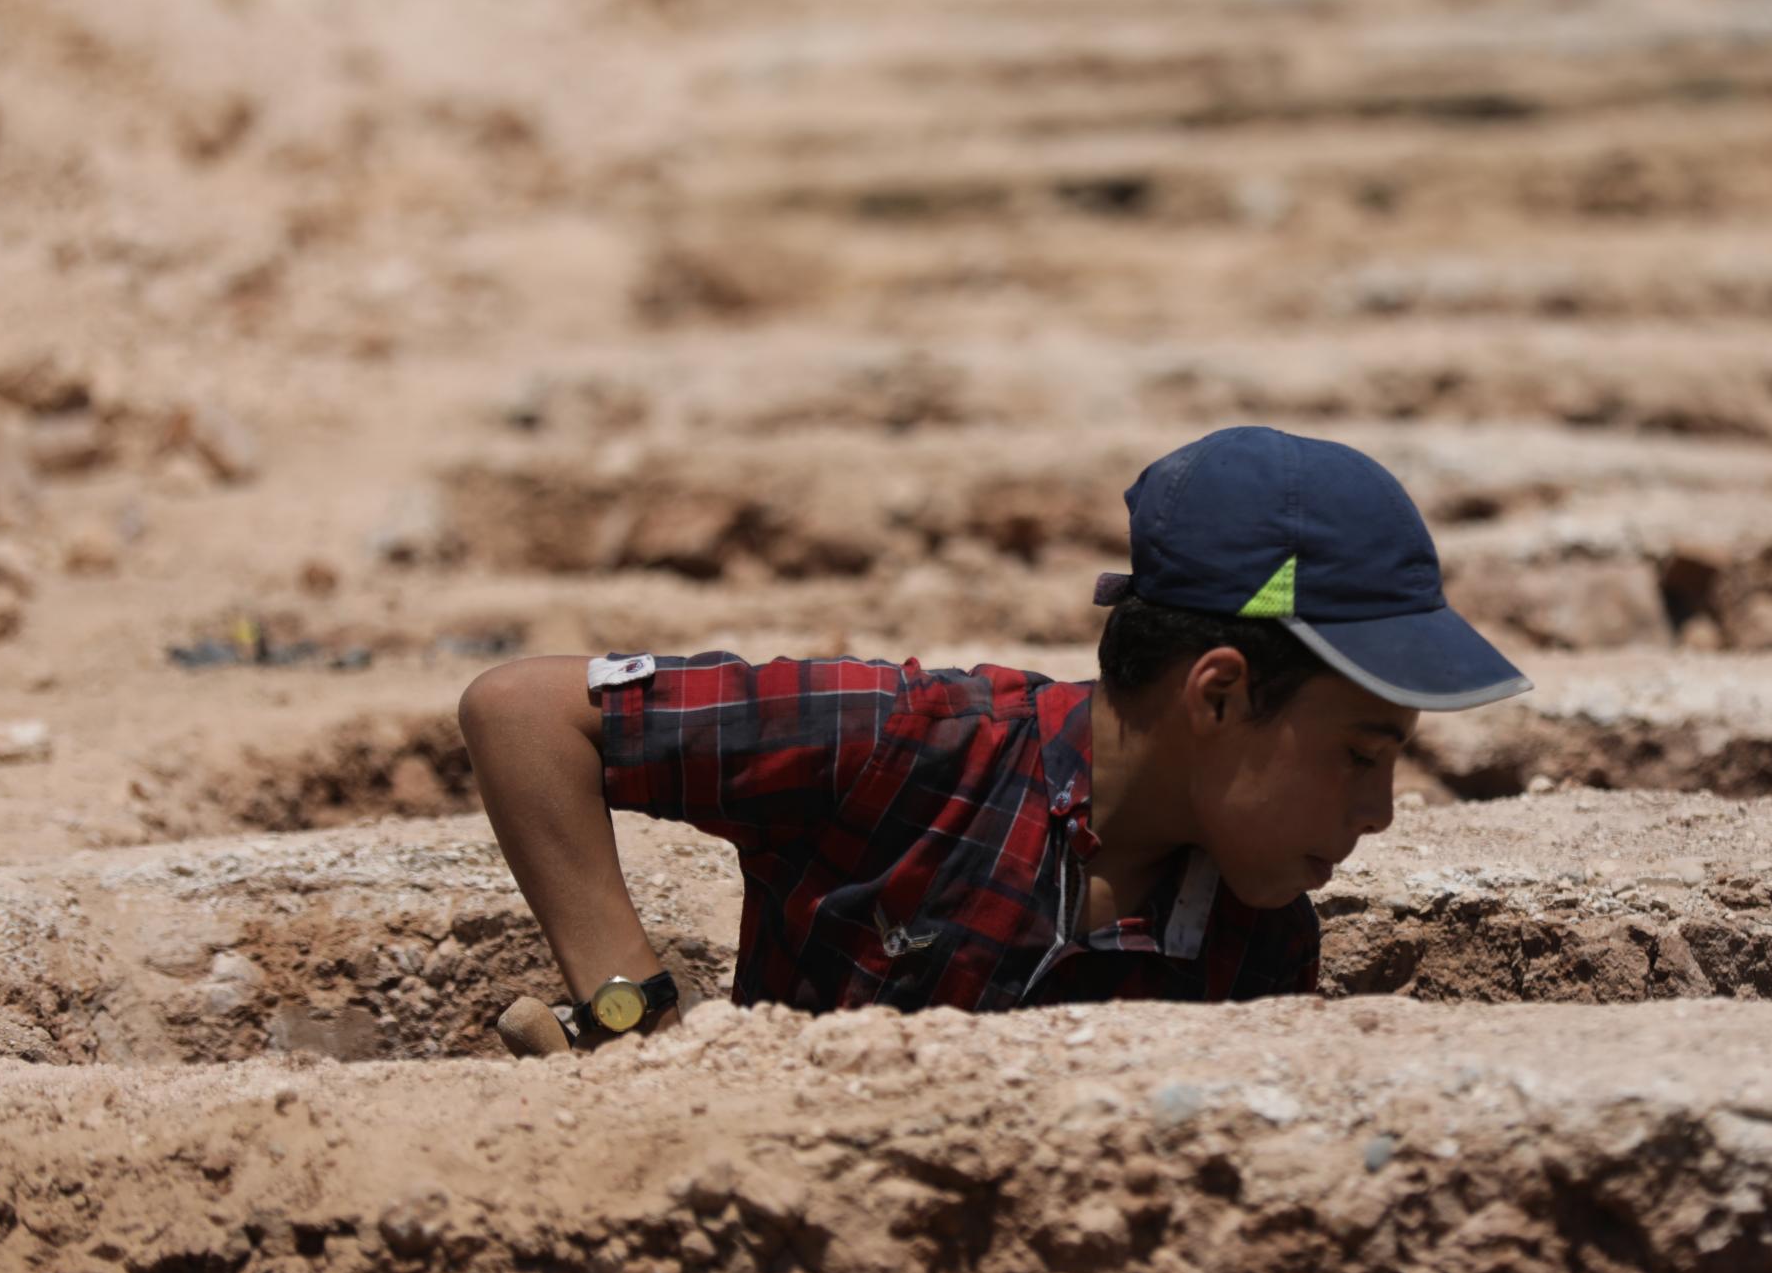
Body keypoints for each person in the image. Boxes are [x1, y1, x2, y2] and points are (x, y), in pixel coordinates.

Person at [456, 425, 1533, 1047]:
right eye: (1360, 751)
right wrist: (628, 1017)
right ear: (1215, 695)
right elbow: (525, 712)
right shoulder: (908, 745)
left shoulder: (1256, 939)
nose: (1379, 811)